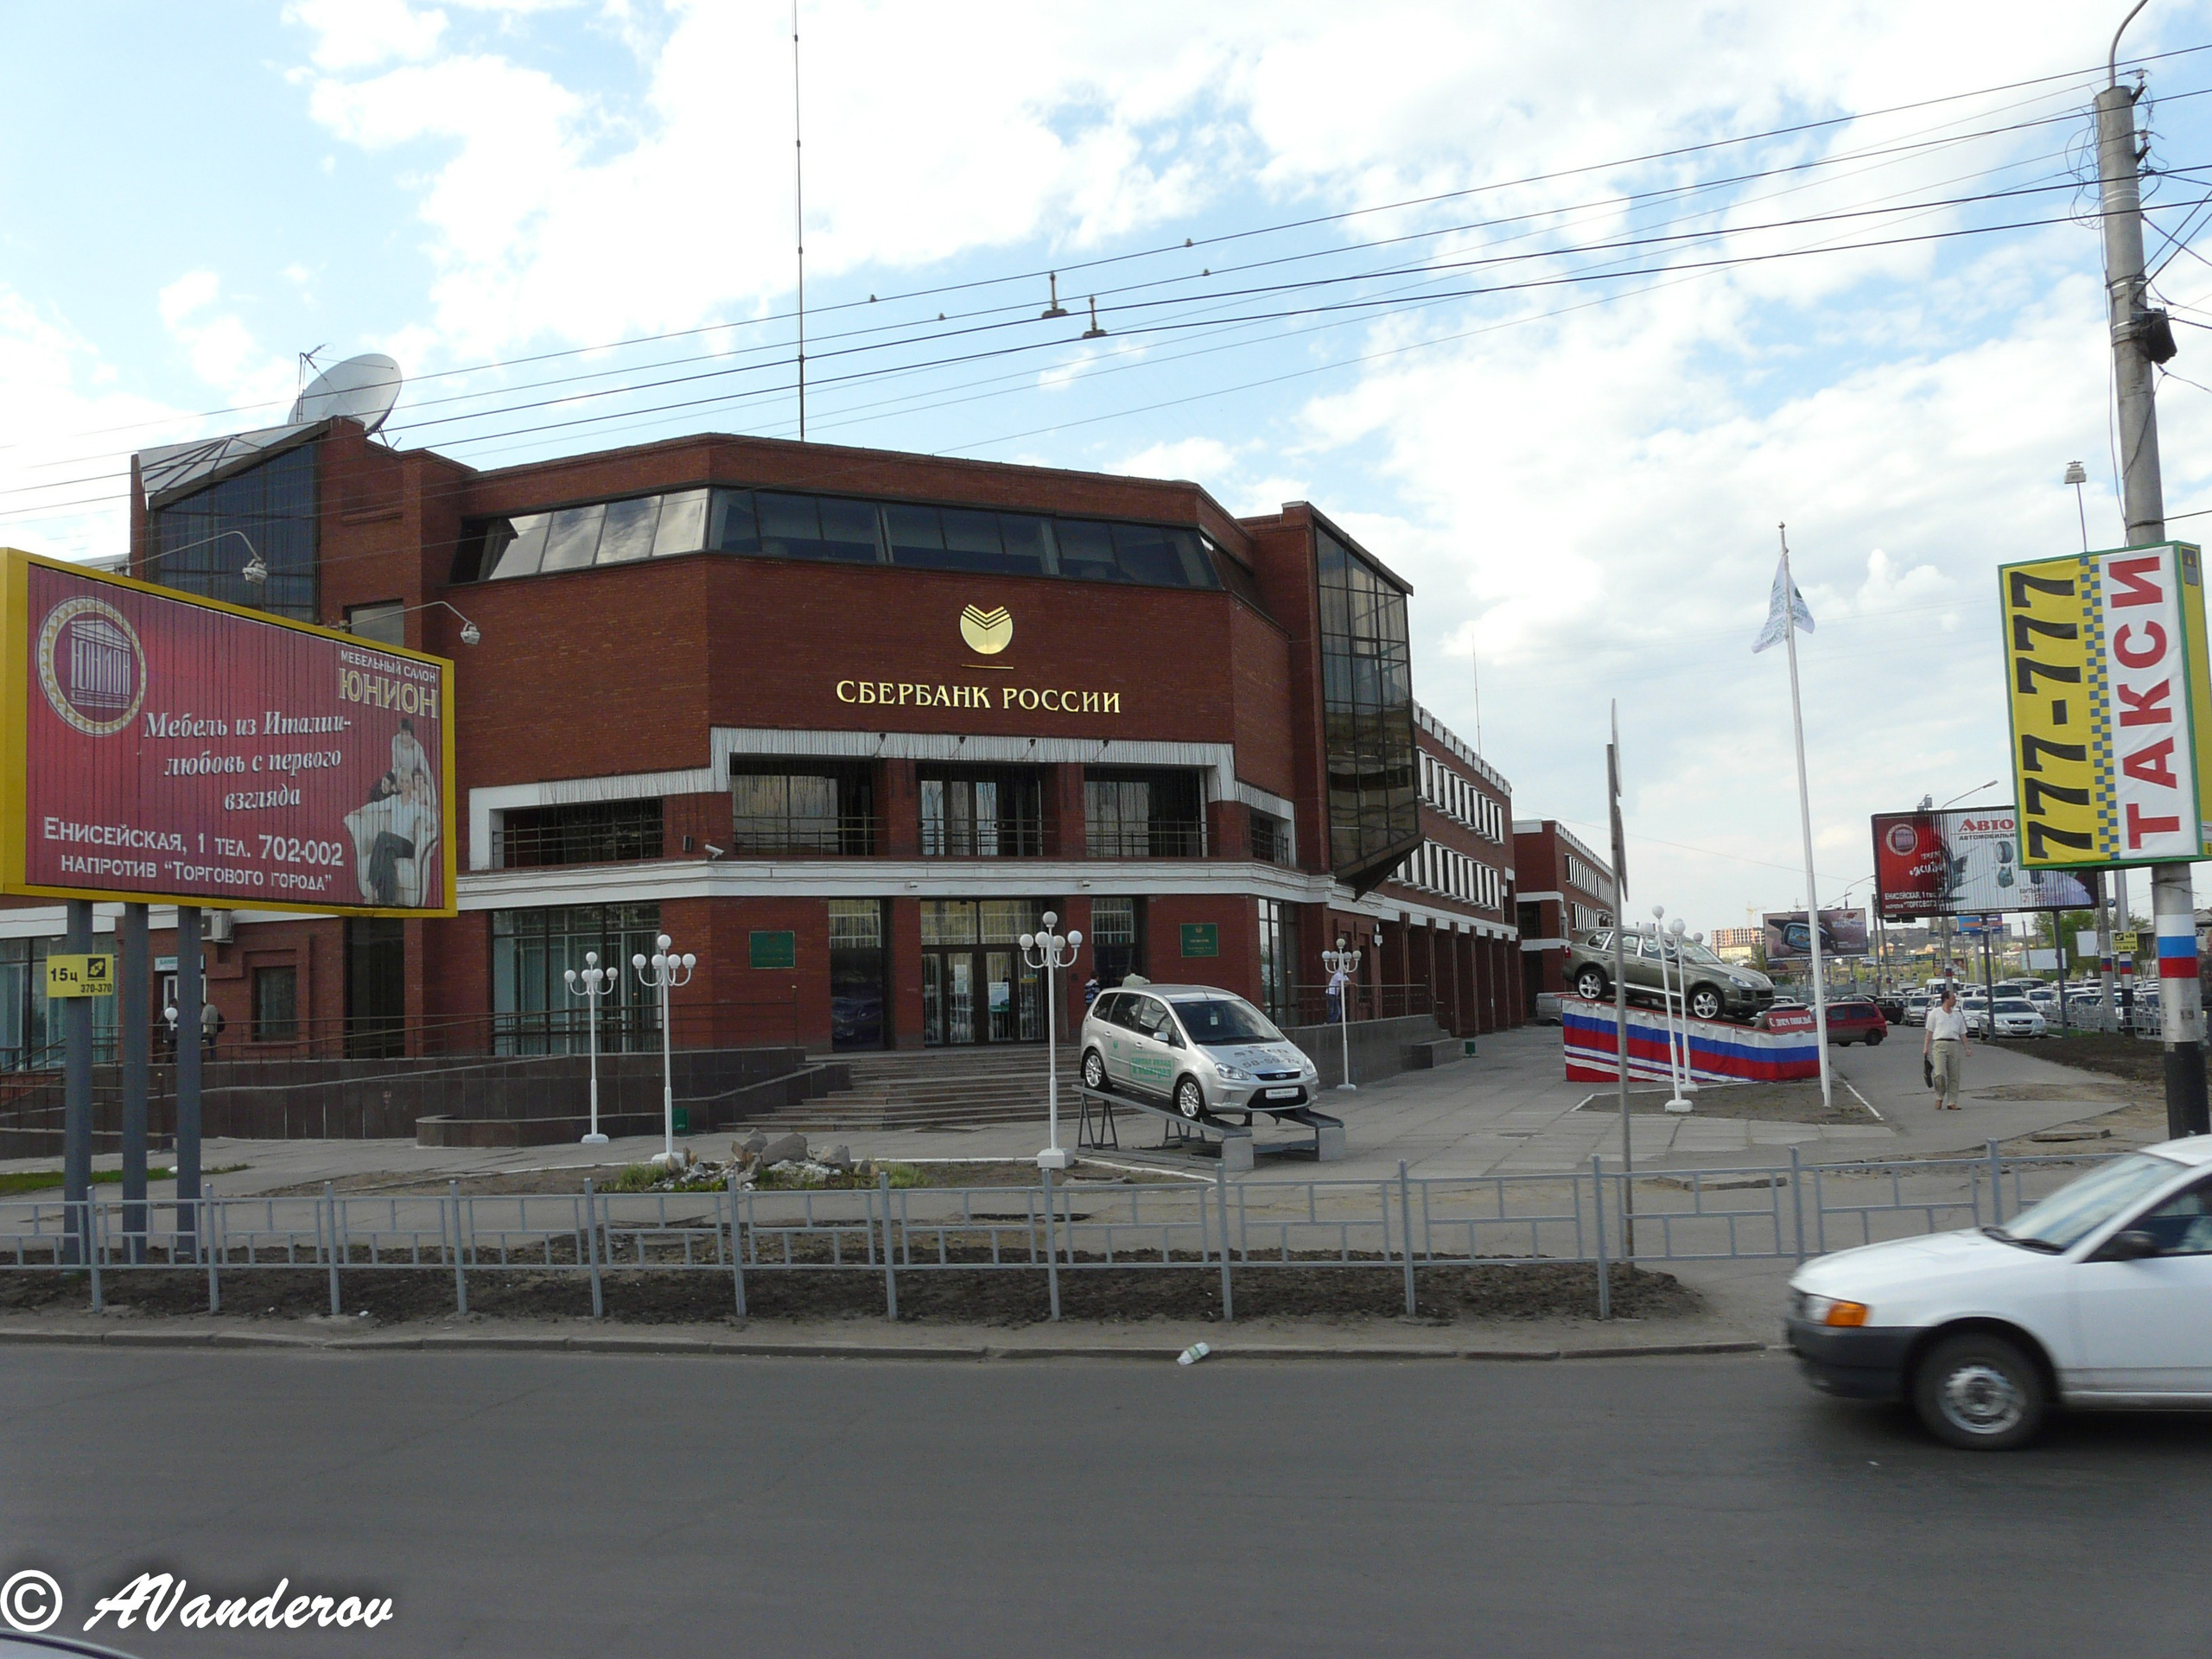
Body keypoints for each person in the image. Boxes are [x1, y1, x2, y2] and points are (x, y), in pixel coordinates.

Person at [1923, 988, 1970, 1110]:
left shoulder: (1957, 1015)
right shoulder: (1935, 1013)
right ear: (1946, 999)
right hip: (1939, 1044)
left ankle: (1952, 1102)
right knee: (1939, 1073)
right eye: (1953, 998)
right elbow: (1929, 1032)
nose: (1955, 1000)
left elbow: (1963, 1033)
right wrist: (1926, 1047)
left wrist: (1967, 1048)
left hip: (1954, 1045)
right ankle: (1939, 1097)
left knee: (1954, 1075)